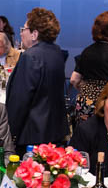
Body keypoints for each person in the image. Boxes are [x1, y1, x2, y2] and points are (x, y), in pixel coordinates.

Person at [6, 8, 67, 150]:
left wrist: (10, 132)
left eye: (24, 29)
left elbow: (20, 100)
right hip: (54, 130)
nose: (21, 33)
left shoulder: (31, 56)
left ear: (34, 34)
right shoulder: (56, 52)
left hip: (33, 133)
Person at [70, 10, 108, 125]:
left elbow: (74, 79)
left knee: (84, 133)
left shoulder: (87, 51)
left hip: (85, 102)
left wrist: (87, 89)